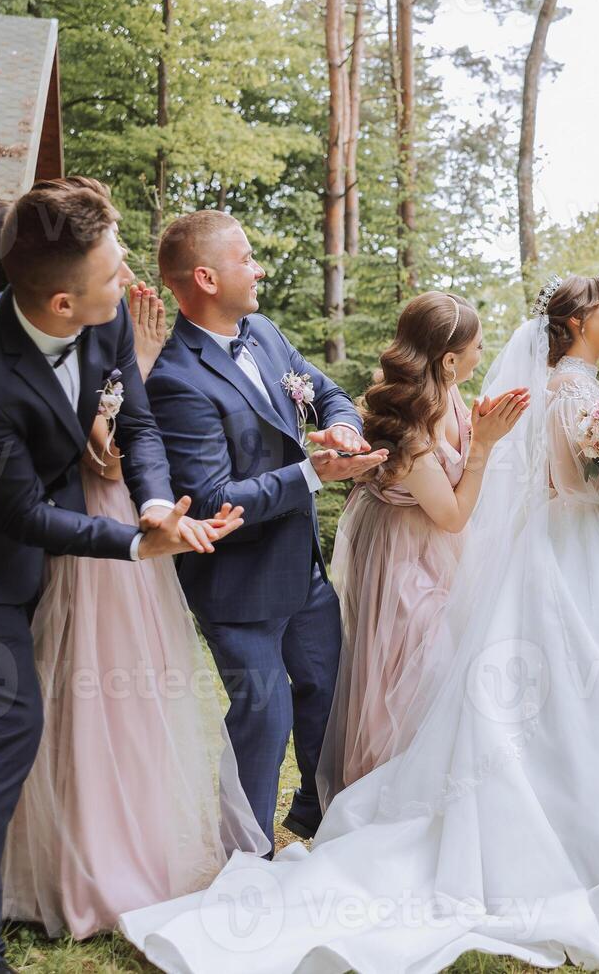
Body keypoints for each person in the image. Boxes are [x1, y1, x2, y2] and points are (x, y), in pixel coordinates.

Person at [118, 274, 599, 972]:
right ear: (575, 324)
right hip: (578, 543)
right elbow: (564, 481)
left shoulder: (569, 388)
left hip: (598, 543)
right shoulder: (565, 390)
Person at [0, 177, 241, 974]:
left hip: (24, 529)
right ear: (59, 304)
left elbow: (136, 420)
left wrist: (152, 503)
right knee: (4, 719)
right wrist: (136, 546)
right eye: (114, 274)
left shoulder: (101, 314)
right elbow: (20, 516)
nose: (131, 283)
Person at [0, 275, 269, 939]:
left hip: (130, 526)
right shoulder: (53, 339)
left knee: (138, 687)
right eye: (112, 258)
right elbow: (101, 454)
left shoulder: (112, 325)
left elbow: (136, 444)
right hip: (86, 529)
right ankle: (79, 862)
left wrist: (134, 366)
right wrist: (137, 365)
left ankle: (134, 842)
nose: (125, 276)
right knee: (88, 683)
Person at [146, 210, 384, 844]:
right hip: (238, 579)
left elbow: (328, 393)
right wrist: (313, 473)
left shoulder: (264, 333)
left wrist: (345, 429)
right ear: (205, 277)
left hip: (301, 568)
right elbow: (214, 498)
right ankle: (247, 854)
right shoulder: (175, 379)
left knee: (327, 696)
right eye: (245, 258)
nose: (258, 269)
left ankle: (322, 819)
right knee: (264, 712)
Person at [317, 291, 528, 802]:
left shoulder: (448, 392)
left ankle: (448, 790)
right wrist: (482, 445)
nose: (484, 354)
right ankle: (400, 796)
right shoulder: (408, 428)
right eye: (477, 346)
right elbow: (453, 516)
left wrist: (474, 428)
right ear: (449, 359)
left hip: (436, 551)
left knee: (447, 665)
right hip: (405, 559)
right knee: (414, 673)